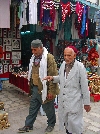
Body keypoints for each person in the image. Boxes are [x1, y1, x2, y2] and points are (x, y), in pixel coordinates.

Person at [43, 46, 91, 134]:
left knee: (75, 126)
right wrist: (53, 78)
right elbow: (62, 78)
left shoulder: (80, 67)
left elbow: (85, 87)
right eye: (65, 55)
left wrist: (87, 103)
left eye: (69, 55)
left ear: (75, 55)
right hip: (64, 100)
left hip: (74, 101)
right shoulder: (63, 65)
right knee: (67, 124)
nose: (66, 58)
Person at [18, 39, 59, 133]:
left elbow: (53, 76)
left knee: (48, 109)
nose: (33, 52)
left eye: (35, 50)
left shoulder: (49, 58)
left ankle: (51, 124)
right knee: (32, 108)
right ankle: (28, 125)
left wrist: (51, 91)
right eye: (32, 50)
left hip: (46, 88)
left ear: (41, 48)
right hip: (35, 88)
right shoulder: (33, 58)